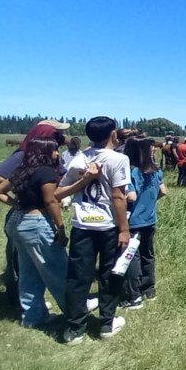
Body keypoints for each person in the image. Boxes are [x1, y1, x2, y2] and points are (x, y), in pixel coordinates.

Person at [0, 139, 100, 329]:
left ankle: (33, 316)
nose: (57, 154)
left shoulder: (22, 170)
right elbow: (51, 201)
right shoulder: (46, 172)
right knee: (59, 270)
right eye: (55, 150)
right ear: (45, 153)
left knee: (29, 273)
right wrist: (60, 228)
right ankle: (76, 312)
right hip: (37, 224)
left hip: (18, 222)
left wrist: (16, 204)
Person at [57, 116, 132, 344]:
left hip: (82, 225)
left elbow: (59, 193)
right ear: (113, 134)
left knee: (78, 276)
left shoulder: (79, 158)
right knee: (110, 274)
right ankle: (107, 323)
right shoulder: (119, 159)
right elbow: (118, 196)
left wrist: (84, 181)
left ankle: (75, 328)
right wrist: (124, 229)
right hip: (108, 226)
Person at [0, 119, 70, 309]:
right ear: (46, 136)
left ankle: (32, 311)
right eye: (57, 134)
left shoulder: (48, 156)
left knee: (29, 267)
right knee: (23, 262)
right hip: (30, 214)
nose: (62, 138)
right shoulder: (26, 155)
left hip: (35, 213)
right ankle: (72, 310)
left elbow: (52, 190)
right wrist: (24, 189)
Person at [121, 136, 167, 309]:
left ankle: (134, 294)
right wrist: (150, 203)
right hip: (150, 219)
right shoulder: (155, 170)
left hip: (133, 221)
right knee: (148, 254)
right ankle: (149, 289)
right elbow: (163, 191)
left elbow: (131, 196)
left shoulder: (131, 171)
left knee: (132, 257)